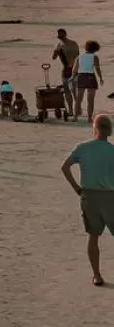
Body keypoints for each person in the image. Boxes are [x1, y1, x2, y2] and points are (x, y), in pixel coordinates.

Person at [61, 113, 114, 286]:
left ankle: (97, 275)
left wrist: (76, 187)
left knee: (93, 236)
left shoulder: (83, 148)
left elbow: (65, 167)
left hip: (89, 195)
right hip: (110, 196)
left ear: (95, 128)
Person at [75, 41, 104, 121]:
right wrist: (100, 78)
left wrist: (74, 77)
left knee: (79, 99)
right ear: (95, 48)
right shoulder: (95, 57)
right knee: (90, 99)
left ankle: (75, 117)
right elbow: (97, 69)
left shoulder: (79, 56)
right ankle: (89, 118)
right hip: (90, 77)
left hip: (81, 76)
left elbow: (74, 69)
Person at [57, 30, 83, 120]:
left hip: (67, 70)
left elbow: (53, 57)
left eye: (60, 37)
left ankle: (72, 110)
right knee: (74, 91)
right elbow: (78, 56)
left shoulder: (60, 45)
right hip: (75, 69)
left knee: (68, 91)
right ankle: (77, 109)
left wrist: (57, 52)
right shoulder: (74, 43)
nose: (61, 39)